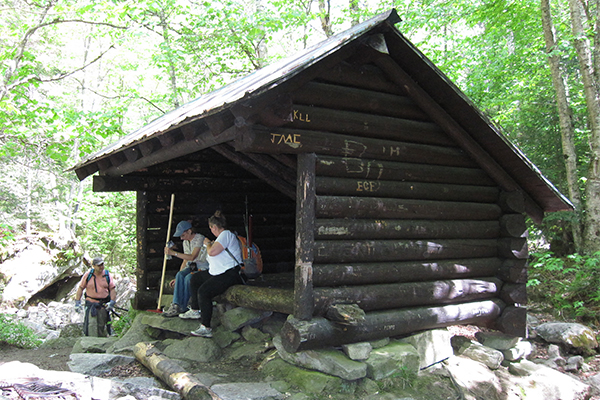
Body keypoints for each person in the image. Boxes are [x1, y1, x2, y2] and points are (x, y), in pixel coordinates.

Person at [188, 210, 244, 337]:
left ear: (213, 227)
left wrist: (207, 244)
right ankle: (195, 309)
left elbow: (212, 252)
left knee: (204, 291)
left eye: (211, 228)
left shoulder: (226, 234)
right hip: (218, 272)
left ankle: (206, 327)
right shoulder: (221, 238)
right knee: (196, 279)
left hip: (230, 273)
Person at [162, 220, 208, 318]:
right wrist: (177, 278)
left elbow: (192, 257)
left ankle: (185, 306)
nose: (181, 237)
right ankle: (176, 305)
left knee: (188, 278)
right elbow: (185, 260)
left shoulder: (199, 238)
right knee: (180, 275)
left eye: (182, 234)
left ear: (189, 231)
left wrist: (173, 253)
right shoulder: (185, 242)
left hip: (202, 268)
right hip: (191, 267)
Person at [74, 256, 116, 337]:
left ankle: (101, 344)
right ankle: (90, 344)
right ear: (93, 266)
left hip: (103, 305)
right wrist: (77, 302)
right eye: (99, 265)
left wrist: (112, 302)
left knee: (102, 326)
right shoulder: (88, 275)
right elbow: (80, 288)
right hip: (91, 305)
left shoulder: (107, 275)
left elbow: (112, 289)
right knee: (91, 326)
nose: (101, 267)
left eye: (102, 264)